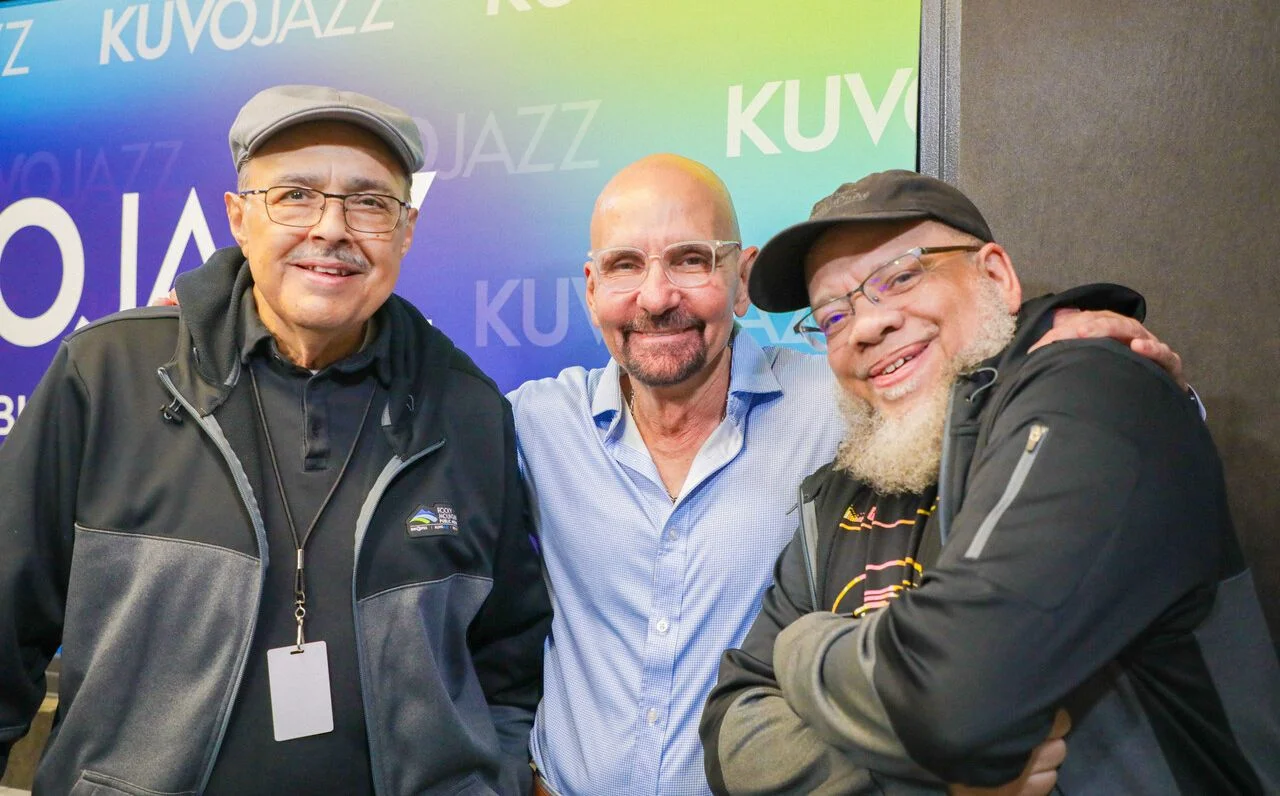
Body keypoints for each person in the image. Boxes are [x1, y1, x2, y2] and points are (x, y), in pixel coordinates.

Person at [510, 155, 1189, 796]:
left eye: (691, 260)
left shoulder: (848, 402)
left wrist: (1086, 354)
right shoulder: (528, 424)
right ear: (593, 287)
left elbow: (988, 387)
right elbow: (738, 717)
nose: (657, 296)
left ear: (742, 280)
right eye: (625, 265)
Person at [0, 85, 551, 795]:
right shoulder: (109, 376)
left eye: (369, 202)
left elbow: (509, 662)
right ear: (239, 218)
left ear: (407, 230)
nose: (331, 229)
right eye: (295, 195)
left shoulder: (468, 410)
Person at [701, 170, 1280, 794]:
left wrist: (803, 648)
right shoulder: (838, 492)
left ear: (996, 277)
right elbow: (734, 735)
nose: (867, 327)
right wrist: (936, 783)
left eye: (900, 276)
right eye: (834, 316)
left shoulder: (1093, 388)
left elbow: (956, 695)